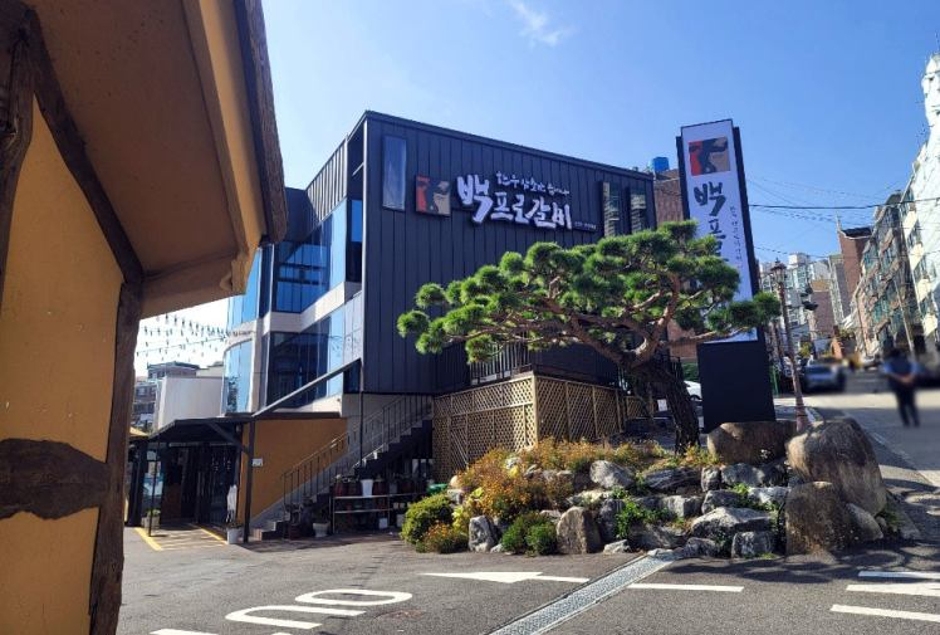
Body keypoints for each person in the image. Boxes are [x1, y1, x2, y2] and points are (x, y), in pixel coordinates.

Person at [881, 348, 920, 427]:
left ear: (891, 355)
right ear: (900, 354)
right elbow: (914, 369)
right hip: (909, 384)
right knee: (911, 403)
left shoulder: (889, 363)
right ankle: (915, 419)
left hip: (897, 385)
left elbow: (888, 372)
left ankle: (906, 422)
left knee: (901, 404)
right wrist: (909, 378)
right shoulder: (907, 361)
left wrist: (901, 379)